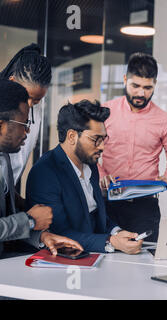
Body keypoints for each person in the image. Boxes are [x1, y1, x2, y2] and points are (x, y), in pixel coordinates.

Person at [26, 100, 142, 254]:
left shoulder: (90, 165)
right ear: (72, 136)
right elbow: (59, 234)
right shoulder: (45, 172)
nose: (102, 147)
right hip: (64, 263)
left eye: (103, 139)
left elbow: (97, 216)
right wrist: (110, 242)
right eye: (95, 139)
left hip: (95, 255)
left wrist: (117, 232)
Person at [98, 53, 167, 242]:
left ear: (155, 84)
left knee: (145, 261)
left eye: (147, 87)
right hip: (108, 202)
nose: (141, 93)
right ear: (125, 79)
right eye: (135, 86)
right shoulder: (105, 112)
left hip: (145, 207)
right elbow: (89, 152)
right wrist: (100, 174)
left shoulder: (166, 120)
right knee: (106, 258)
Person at [0, 79, 82, 258]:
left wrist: (42, 237)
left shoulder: (4, 158)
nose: (27, 132)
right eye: (24, 124)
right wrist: (29, 221)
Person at [0, 44, 52, 186]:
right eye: (26, 96)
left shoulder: (37, 112)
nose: (30, 104)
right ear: (12, 81)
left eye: (36, 100)